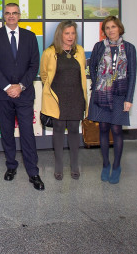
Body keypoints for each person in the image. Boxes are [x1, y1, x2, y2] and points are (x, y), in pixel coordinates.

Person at [0, 3, 44, 190]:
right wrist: (7, 87)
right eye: (8, 13)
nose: (11, 16)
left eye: (14, 13)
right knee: (7, 132)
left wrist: (20, 86)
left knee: (27, 132)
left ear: (19, 15)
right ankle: (11, 165)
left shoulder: (30, 36)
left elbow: (34, 65)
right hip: (2, 94)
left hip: (24, 93)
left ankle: (33, 172)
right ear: (4, 16)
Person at [88, 16, 137, 184]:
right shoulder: (99, 46)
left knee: (116, 129)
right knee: (103, 128)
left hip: (120, 94)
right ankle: (105, 164)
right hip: (102, 93)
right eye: (107, 28)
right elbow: (92, 66)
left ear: (119, 28)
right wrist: (97, 84)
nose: (111, 30)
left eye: (113, 27)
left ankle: (116, 166)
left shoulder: (129, 48)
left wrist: (129, 98)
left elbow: (132, 74)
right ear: (104, 31)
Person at [40, 20, 88, 181]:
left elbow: (81, 73)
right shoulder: (49, 52)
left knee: (74, 130)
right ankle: (59, 166)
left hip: (76, 97)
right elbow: (44, 74)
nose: (70, 36)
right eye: (67, 33)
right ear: (60, 34)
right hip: (57, 98)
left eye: (73, 33)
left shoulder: (79, 51)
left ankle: (74, 166)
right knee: (58, 130)